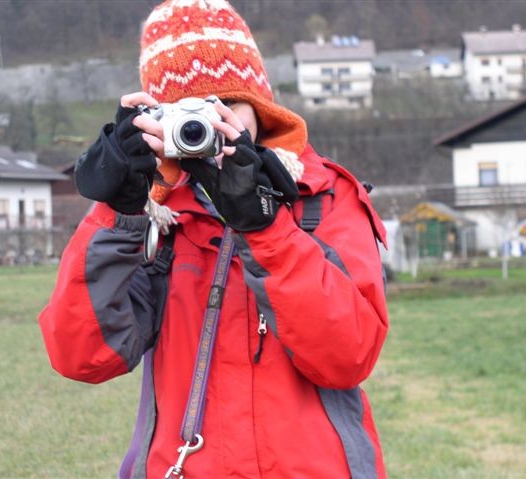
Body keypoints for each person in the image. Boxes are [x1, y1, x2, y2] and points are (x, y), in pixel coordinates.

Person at [39, 1, 389, 478]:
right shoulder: (156, 218)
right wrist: (117, 212)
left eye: (225, 108)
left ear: (260, 109)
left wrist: (266, 227)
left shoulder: (323, 197)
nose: (204, 129)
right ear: (152, 123)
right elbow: (83, 356)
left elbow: (347, 355)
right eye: (184, 115)